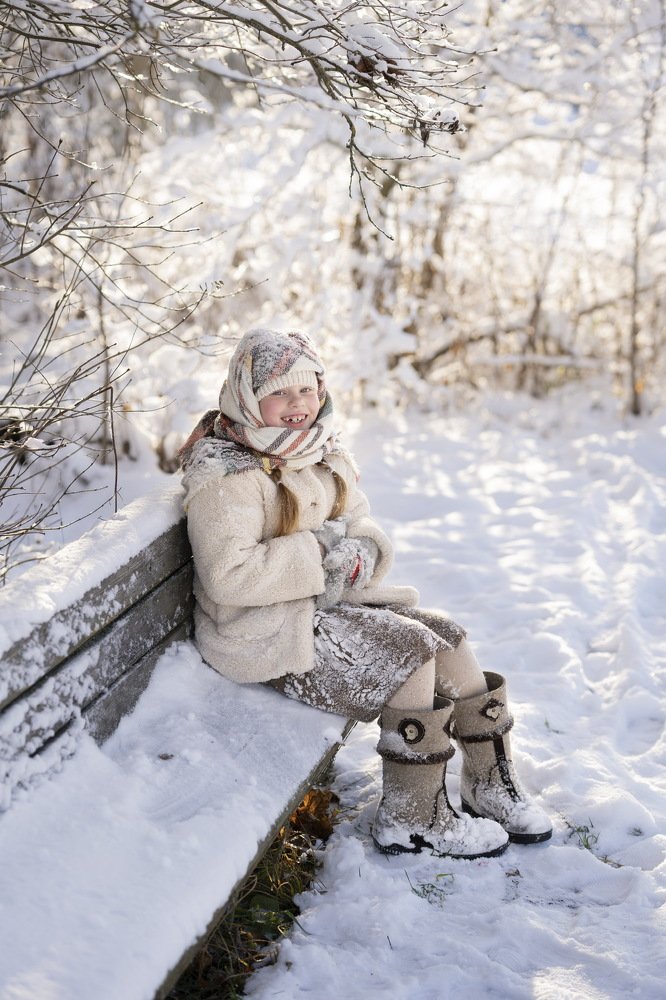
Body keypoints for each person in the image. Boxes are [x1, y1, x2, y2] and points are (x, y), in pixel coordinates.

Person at [179, 328, 552, 859]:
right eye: (280, 392)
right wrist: (323, 554)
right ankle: (411, 817)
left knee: (448, 640)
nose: (297, 405)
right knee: (410, 656)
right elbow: (228, 575)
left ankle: (487, 783)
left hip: (321, 608)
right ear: (246, 396)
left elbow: (358, 521)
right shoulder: (229, 473)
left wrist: (362, 550)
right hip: (262, 632)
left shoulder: (321, 451)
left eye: (306, 390)